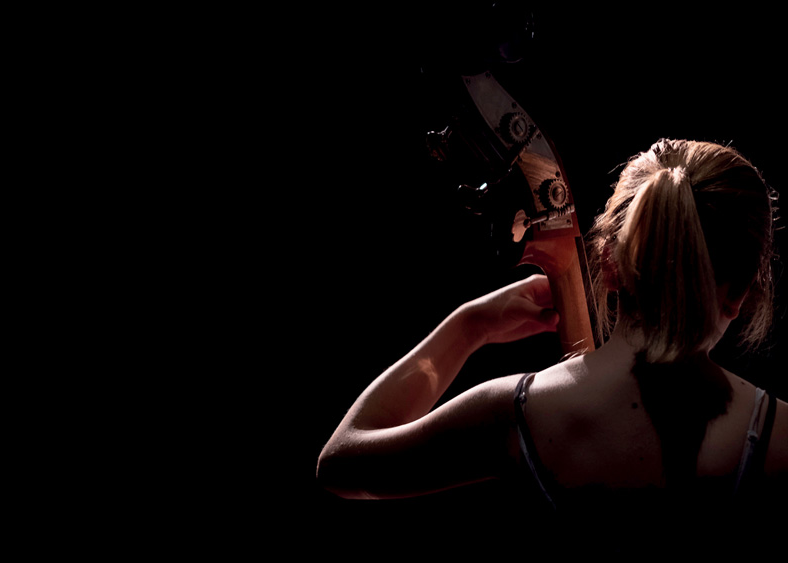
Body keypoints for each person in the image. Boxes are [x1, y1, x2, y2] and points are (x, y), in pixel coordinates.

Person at [316, 139, 786, 515]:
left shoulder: (513, 413)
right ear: (742, 293)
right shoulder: (780, 436)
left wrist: (469, 326)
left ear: (608, 262)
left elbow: (341, 462)